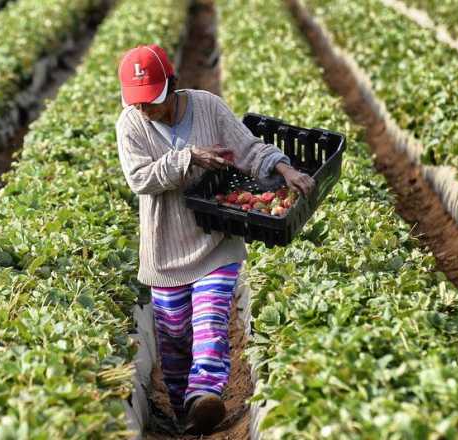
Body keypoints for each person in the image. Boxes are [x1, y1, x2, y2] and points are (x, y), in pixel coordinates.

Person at [115, 45, 315, 433]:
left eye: (151, 101)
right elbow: (140, 178)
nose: (144, 109)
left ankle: (205, 395)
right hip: (165, 250)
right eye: (137, 102)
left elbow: (249, 148)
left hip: (214, 243)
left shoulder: (208, 107)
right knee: (173, 340)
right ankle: (182, 412)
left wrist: (283, 168)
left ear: (172, 86)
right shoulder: (130, 125)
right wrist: (189, 157)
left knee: (210, 320)